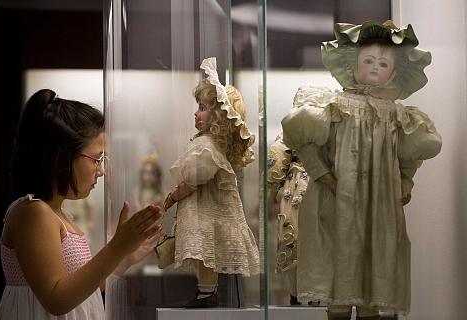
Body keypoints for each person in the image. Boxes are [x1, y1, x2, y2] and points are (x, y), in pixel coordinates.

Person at [281, 21, 442, 319]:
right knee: (339, 258)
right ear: (352, 63)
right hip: (337, 199)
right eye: (367, 60)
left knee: (374, 264)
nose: (374, 67)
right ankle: (339, 309)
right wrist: (322, 174)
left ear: (394, 72)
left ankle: (369, 309)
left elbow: (409, 154)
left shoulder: (397, 114)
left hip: (379, 204)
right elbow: (305, 143)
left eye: (383, 63)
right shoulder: (333, 105)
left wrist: (406, 181)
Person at [0, 89, 162, 319]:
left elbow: (82, 289)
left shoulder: (58, 214)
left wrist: (123, 260)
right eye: (97, 159)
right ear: (60, 156)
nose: (102, 170)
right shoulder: (33, 212)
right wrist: (116, 248)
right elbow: (56, 299)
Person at [163, 57, 260, 308]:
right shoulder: (209, 144)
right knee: (205, 253)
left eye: (203, 108)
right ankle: (206, 291)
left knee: (206, 252)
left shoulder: (207, 147)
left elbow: (194, 180)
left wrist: (173, 196)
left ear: (219, 117)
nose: (196, 113)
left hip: (206, 213)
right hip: (206, 212)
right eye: (198, 107)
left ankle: (207, 292)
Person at [266, 133, 310, 306]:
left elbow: (277, 158)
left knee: (295, 237)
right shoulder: (333, 122)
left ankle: (297, 293)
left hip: (299, 184)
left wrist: (274, 190)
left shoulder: (294, 126)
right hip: (326, 184)